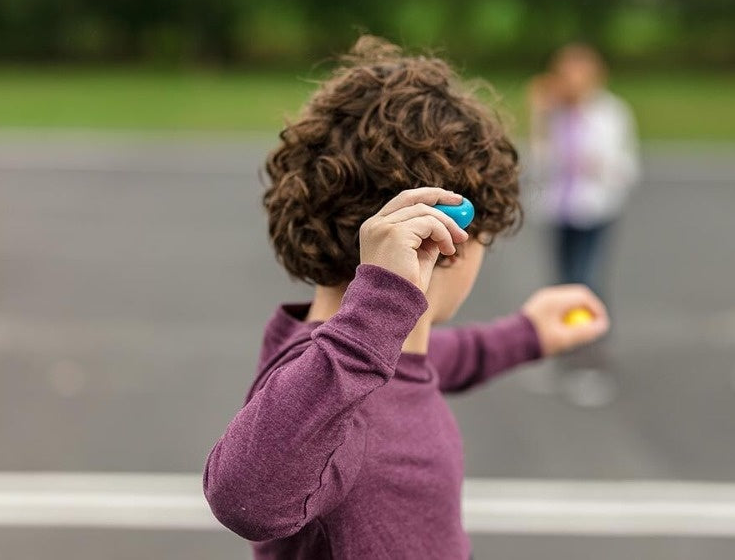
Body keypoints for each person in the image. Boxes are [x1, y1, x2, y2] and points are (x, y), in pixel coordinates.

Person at [202, 36, 608, 560]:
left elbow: (427, 359)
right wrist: (380, 305)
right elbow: (244, 498)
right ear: (449, 240)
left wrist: (527, 334)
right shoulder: (340, 388)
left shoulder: (354, 363)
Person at [528, 44, 640, 407]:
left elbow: (627, 167)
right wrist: (540, 117)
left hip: (594, 210)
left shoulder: (610, 113)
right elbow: (538, 163)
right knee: (562, 282)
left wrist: (597, 165)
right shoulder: (555, 113)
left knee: (587, 281)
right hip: (559, 210)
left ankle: (590, 359)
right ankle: (563, 351)